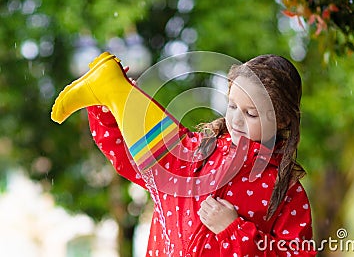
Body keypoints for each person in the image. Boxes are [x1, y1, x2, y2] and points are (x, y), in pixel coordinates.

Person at [51, 52, 316, 256]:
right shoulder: (204, 150)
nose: (236, 120)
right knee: (168, 157)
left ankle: (113, 91)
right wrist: (110, 112)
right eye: (233, 105)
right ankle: (112, 93)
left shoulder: (286, 191)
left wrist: (234, 230)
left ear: (282, 120)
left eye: (251, 113)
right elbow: (132, 160)